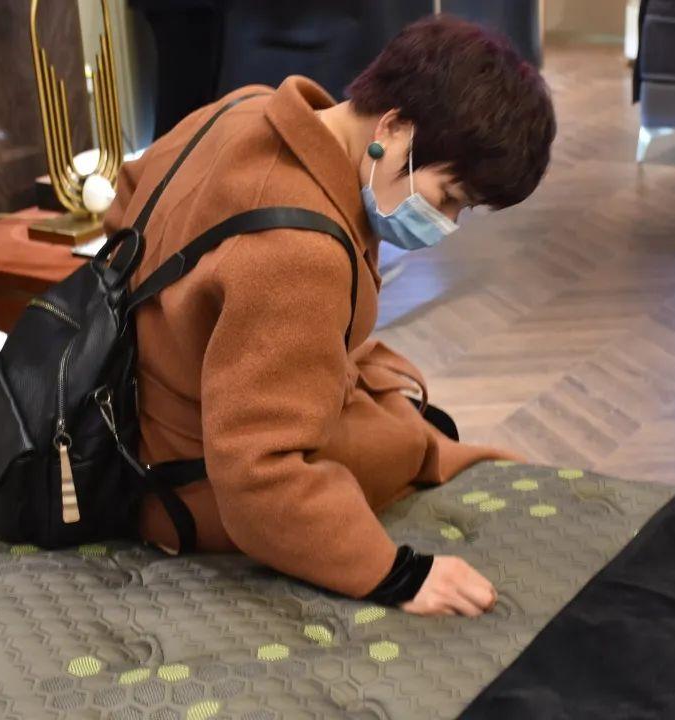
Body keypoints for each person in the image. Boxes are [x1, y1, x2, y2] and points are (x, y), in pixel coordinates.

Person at [103, 14, 556, 617]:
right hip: (186, 485)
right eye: (449, 197)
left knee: (389, 401)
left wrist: (179, 341)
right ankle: (432, 452)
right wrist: (397, 576)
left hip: (135, 419)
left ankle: (425, 442)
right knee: (398, 437)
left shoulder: (243, 109)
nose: (446, 222)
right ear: (393, 127)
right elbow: (259, 477)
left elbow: (124, 206)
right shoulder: (301, 252)